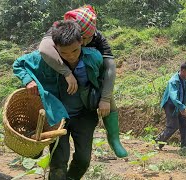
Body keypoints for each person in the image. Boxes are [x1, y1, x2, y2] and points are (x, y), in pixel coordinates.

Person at [13, 20, 103, 180]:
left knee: (83, 159)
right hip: (56, 118)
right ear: (55, 48)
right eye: (64, 53)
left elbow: (103, 79)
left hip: (84, 115)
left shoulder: (93, 58)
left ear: (81, 41)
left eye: (75, 51)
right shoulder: (44, 60)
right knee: (59, 161)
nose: (71, 56)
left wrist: (106, 100)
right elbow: (18, 64)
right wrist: (28, 80)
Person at [38, 4, 128, 158]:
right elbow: (44, 49)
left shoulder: (97, 38)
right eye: (84, 38)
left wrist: (105, 98)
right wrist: (66, 72)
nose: (86, 42)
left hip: (89, 75)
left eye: (88, 38)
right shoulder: (59, 29)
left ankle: (114, 138)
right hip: (60, 76)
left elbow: (110, 68)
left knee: (107, 93)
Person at [155, 62, 186, 150]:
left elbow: (185, 94)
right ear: (183, 71)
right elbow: (173, 97)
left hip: (178, 105)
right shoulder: (173, 81)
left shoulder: (183, 80)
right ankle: (159, 141)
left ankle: (185, 147)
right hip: (170, 106)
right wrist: (182, 107)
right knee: (173, 126)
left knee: (185, 125)